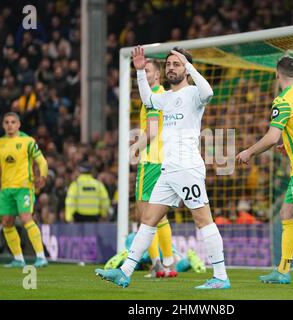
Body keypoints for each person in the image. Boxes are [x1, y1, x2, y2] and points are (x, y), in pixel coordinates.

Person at [95, 46, 230, 289]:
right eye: (168, 64)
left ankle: (220, 276)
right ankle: (125, 272)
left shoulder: (193, 94)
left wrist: (188, 65)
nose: (170, 67)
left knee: (203, 220)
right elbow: (147, 99)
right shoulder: (165, 97)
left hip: (187, 167)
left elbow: (209, 92)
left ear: (187, 69)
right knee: (148, 219)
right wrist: (138, 72)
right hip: (168, 170)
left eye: (176, 64)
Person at [236, 56, 293, 286]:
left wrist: (249, 152)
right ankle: (282, 270)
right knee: (286, 214)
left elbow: (271, 137)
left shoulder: (283, 100)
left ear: (276, 74)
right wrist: (292, 145)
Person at [0, 112, 49, 268]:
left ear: (19, 124)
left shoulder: (28, 141)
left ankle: (41, 257)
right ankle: (18, 259)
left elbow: (41, 161)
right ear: (3, 125)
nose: (10, 125)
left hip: (23, 188)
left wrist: (43, 176)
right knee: (7, 223)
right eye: (7, 122)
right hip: (6, 189)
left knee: (26, 218)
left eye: (13, 122)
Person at [133, 59, 177, 278]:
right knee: (160, 217)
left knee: (145, 216)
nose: (142, 73)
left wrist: (134, 148)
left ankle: (157, 264)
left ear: (157, 75)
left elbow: (150, 132)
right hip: (164, 159)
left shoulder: (152, 98)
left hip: (150, 161)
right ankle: (168, 264)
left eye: (146, 70)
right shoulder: (166, 96)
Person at [103, 232, 206, 275]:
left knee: (136, 262)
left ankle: (125, 259)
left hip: (142, 243)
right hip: (162, 245)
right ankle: (188, 259)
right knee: (173, 263)